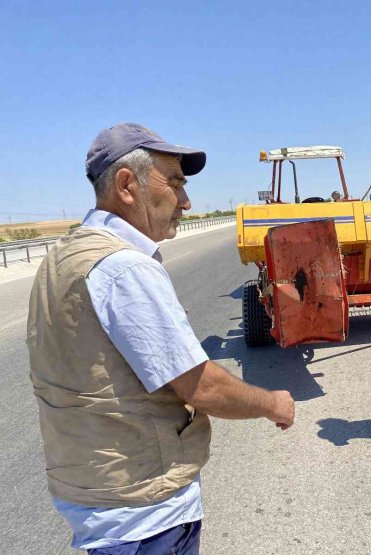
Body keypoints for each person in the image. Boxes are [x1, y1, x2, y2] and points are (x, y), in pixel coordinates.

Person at [27, 123, 295, 554]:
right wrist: (273, 404)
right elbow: (201, 386)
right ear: (127, 185)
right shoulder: (124, 267)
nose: (186, 202)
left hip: (91, 491)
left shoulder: (63, 255)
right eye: (174, 182)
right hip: (143, 515)